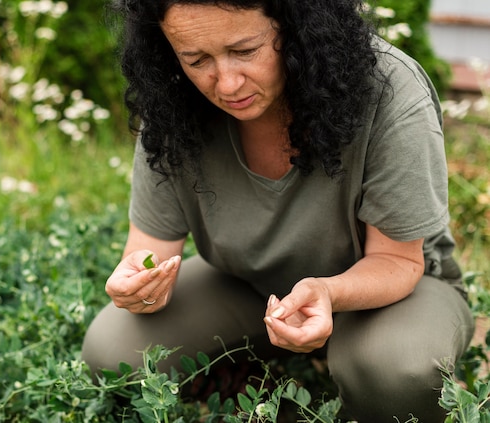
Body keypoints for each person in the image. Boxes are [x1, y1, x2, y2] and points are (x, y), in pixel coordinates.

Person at [81, 0, 475, 421]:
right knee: (112, 350)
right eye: (196, 59)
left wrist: (326, 292)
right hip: (247, 285)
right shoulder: (171, 98)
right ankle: (266, 393)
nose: (227, 84)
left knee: (399, 370)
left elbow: (397, 260)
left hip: (387, 292)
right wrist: (138, 280)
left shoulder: (388, 88)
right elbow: (151, 248)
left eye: (245, 51)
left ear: (295, 26)